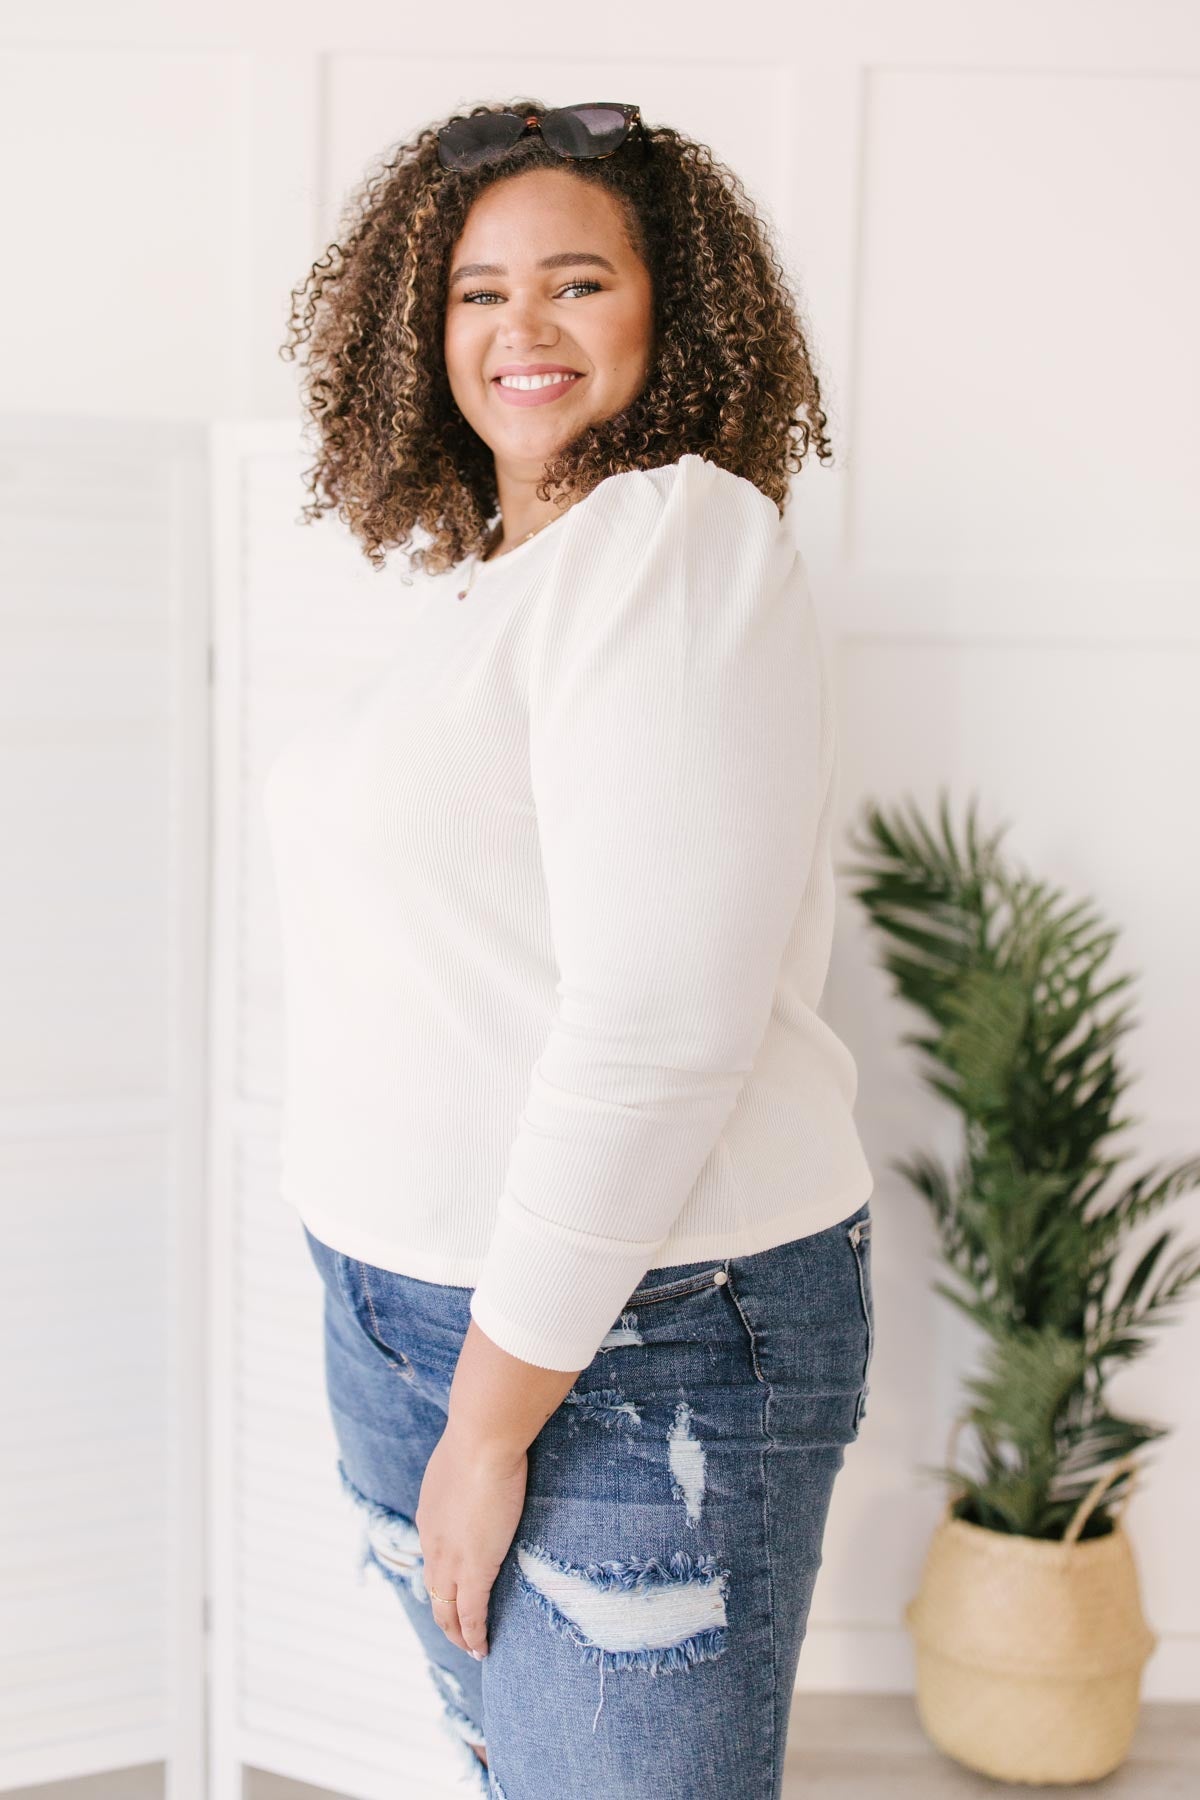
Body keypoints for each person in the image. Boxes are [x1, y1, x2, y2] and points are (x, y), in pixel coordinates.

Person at [265, 99, 876, 1800]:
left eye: (576, 281)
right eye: (475, 292)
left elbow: (664, 1026)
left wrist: (488, 1424)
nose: (518, 327)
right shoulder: (482, 584)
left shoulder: (675, 538)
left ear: (671, 311)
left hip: (630, 1333)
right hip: (399, 1310)